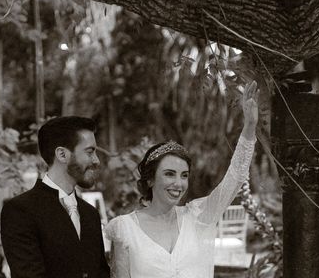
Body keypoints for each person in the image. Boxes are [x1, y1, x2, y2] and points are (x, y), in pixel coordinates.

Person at [104, 81, 259, 278]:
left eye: (184, 175)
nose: (178, 183)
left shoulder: (199, 218)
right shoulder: (124, 229)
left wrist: (250, 126)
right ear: (150, 180)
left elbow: (235, 178)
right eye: (169, 174)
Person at [1, 116, 110, 278]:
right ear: (62, 154)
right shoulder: (20, 211)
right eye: (90, 152)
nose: (96, 160)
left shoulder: (90, 214)